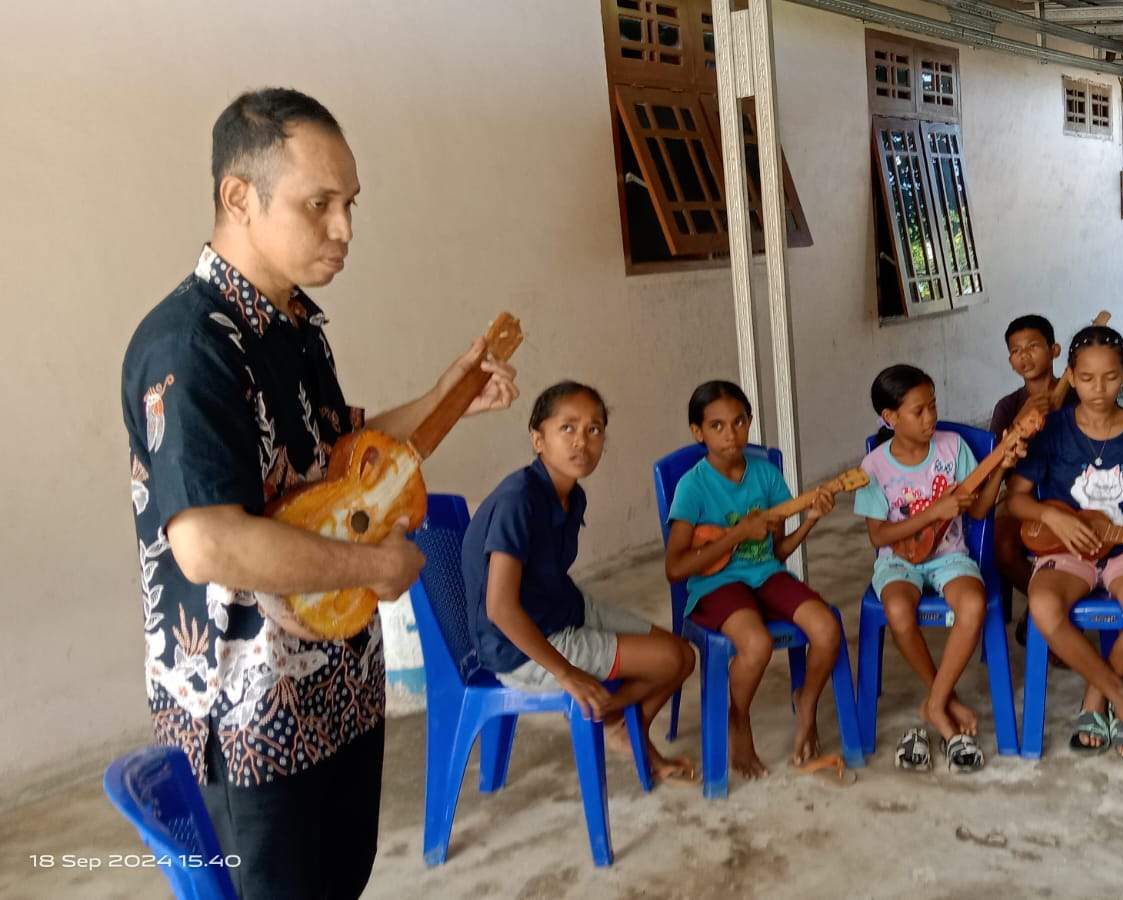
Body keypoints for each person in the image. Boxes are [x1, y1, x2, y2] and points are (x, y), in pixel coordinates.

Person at [121, 88, 518, 897]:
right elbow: (208, 543)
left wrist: (446, 398)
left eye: (350, 204)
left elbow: (344, 465)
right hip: (251, 717)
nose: (344, 228)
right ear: (239, 196)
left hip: (334, 690)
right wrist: (371, 571)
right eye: (320, 204)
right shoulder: (190, 347)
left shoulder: (295, 326)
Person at [462, 382, 696, 779]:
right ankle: (612, 721)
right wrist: (566, 673)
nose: (582, 442)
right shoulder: (519, 500)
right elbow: (500, 608)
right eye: (567, 428)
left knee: (683, 656)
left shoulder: (573, 495)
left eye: (594, 429)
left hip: (562, 609)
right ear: (538, 439)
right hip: (521, 646)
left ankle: (620, 722)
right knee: (669, 660)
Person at [1006, 325, 1123, 760]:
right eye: (1086, 379)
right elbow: (1016, 501)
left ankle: (1097, 697)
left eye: (1111, 377)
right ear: (1070, 375)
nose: (1099, 390)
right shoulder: (1053, 430)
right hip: (1065, 549)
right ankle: (1122, 691)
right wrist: (1050, 514)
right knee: (1043, 606)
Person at [663, 381, 841, 779]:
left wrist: (809, 521)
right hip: (716, 586)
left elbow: (776, 552)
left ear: (750, 422)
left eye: (739, 422)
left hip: (766, 574)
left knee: (827, 628)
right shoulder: (692, 486)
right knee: (756, 643)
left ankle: (807, 704)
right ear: (698, 432)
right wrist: (736, 535)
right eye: (717, 425)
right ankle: (738, 720)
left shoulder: (766, 475)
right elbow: (674, 568)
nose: (731, 434)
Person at [859, 365, 1018, 773]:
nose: (930, 417)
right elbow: (879, 536)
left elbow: (980, 509)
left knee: (973, 605)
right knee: (897, 609)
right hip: (896, 558)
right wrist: (934, 511)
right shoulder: (874, 467)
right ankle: (943, 699)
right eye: (918, 411)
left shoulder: (953, 449)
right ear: (890, 418)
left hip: (950, 556)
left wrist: (1000, 463)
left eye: (933, 406)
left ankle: (935, 703)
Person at [990, 315, 1064, 627]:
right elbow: (995, 465)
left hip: (1071, 496)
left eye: (1033, 346)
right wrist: (1020, 421)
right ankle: (1044, 605)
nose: (1025, 356)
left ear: (1055, 350)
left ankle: (1051, 609)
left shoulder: (1076, 394)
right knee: (1002, 546)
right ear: (1010, 360)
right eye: (1016, 350)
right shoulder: (1007, 407)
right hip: (1021, 499)